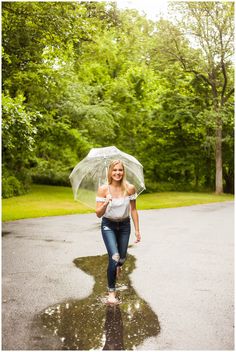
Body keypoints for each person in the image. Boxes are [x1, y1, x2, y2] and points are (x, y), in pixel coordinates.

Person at [96, 159, 141, 304]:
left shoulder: (130, 188)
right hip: (108, 224)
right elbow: (98, 213)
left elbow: (133, 209)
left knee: (122, 258)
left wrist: (137, 230)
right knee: (114, 257)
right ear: (110, 172)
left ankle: (118, 266)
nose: (117, 173)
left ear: (123, 172)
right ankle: (111, 293)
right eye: (114, 170)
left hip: (124, 225)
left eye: (120, 170)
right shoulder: (103, 189)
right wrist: (106, 202)